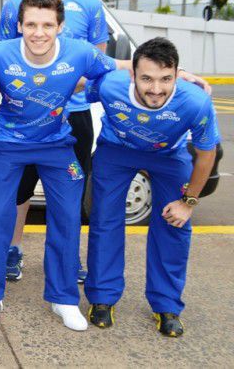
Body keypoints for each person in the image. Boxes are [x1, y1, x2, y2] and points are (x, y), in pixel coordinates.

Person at [0, 0, 119, 331]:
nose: (38, 33)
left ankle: (63, 298)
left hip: (57, 145)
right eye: (31, 25)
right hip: (9, 144)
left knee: (69, 217)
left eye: (47, 25)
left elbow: (115, 71)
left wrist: (177, 73)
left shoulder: (80, 52)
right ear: (20, 26)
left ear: (60, 26)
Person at [84, 37, 219, 337]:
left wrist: (188, 202)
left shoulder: (195, 101)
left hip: (168, 156)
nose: (156, 89)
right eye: (147, 79)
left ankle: (167, 304)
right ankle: (102, 297)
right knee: (104, 220)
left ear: (177, 75)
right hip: (117, 151)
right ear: (132, 74)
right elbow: (78, 85)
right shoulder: (110, 85)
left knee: (174, 224)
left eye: (165, 79)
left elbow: (206, 153)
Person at [0, 0, 108, 283]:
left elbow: (97, 63)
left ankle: (67, 256)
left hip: (74, 114)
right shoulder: (15, 4)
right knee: (20, 190)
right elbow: (4, 58)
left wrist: (60, 84)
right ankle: (12, 250)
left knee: (69, 191)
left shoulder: (89, 5)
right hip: (24, 116)